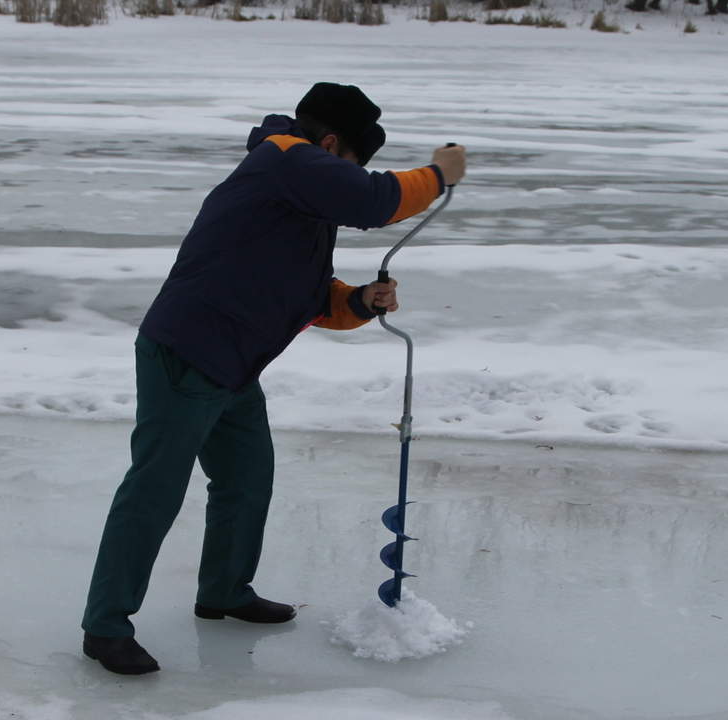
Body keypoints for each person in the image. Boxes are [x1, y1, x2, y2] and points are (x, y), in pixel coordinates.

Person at [81, 82, 467, 675]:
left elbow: (313, 300)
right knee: (154, 492)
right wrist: (438, 175)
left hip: (236, 365)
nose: (345, 181)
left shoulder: (300, 201)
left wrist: (361, 300)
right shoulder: (284, 158)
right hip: (185, 354)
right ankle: (105, 627)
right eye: (350, 163)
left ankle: (224, 592)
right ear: (331, 144)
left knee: (247, 479)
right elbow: (372, 200)